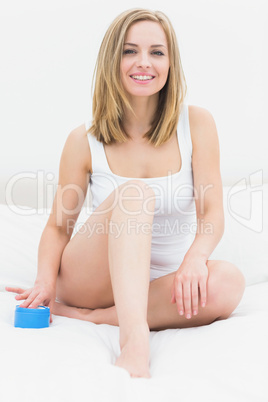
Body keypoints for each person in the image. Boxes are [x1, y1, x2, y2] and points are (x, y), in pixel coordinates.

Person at [6, 8, 245, 378]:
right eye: (130, 51)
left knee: (229, 282)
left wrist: (197, 258)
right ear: (112, 61)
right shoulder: (83, 140)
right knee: (135, 195)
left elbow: (212, 210)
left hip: (162, 282)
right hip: (93, 281)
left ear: (170, 63)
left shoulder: (197, 124)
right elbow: (58, 228)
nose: (143, 63)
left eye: (157, 52)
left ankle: (95, 318)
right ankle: (135, 343)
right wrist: (44, 282)